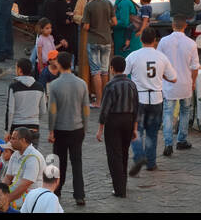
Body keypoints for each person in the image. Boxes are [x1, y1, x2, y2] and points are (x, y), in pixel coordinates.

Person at [126, 26, 176, 177]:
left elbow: (122, 73)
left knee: (136, 131)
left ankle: (139, 155)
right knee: (152, 133)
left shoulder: (133, 56)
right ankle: (151, 162)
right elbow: (173, 78)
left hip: (139, 98)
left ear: (141, 39)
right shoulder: (161, 57)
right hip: (156, 98)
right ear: (155, 41)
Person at [45, 51, 90, 206]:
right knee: (77, 162)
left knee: (59, 162)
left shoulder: (55, 85)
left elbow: (52, 110)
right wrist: (85, 126)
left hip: (60, 129)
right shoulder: (82, 83)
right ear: (71, 63)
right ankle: (79, 195)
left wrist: (51, 130)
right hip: (77, 127)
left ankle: (56, 191)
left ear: (58, 64)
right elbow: (85, 108)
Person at [96, 55, 139, 198]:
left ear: (112, 69)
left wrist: (100, 128)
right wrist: (135, 128)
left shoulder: (110, 85)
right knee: (124, 153)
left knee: (114, 155)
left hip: (113, 121)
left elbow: (105, 109)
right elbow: (136, 107)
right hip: (128, 120)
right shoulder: (131, 84)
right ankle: (123, 184)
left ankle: (119, 189)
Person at [158, 17, 199, 156]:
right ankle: (181, 139)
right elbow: (195, 67)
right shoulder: (191, 43)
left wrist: (163, 78)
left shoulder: (164, 41)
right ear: (185, 25)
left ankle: (168, 143)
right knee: (185, 111)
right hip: (185, 83)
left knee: (168, 113)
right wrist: (193, 82)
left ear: (172, 25)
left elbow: (159, 62)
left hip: (169, 83)